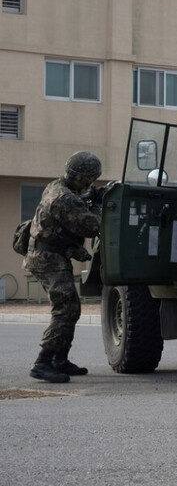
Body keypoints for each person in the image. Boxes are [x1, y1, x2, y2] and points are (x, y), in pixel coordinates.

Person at [23, 151, 103, 383]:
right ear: (82, 177)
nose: (90, 184)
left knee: (71, 308)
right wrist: (97, 204)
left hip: (49, 254)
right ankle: (42, 362)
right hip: (47, 258)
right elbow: (91, 226)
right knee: (66, 308)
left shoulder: (57, 186)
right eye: (89, 180)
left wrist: (88, 197)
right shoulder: (65, 198)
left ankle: (60, 360)